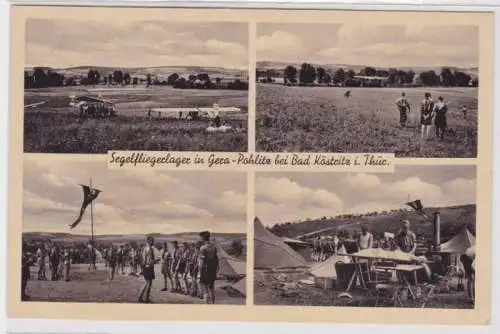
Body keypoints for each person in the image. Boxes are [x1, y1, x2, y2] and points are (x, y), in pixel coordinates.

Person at [198, 231, 219, 304]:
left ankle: (207, 307)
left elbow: (201, 263)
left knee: (205, 289)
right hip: (212, 270)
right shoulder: (214, 247)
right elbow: (216, 259)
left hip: (205, 270)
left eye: (201, 237)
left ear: (203, 237)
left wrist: (200, 273)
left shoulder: (203, 248)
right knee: (212, 289)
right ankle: (213, 305)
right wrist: (216, 269)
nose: (200, 239)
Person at [139, 236, 158, 303]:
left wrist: (154, 261)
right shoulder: (147, 248)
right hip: (147, 267)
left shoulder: (150, 248)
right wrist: (151, 262)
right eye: (152, 240)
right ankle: (145, 298)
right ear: (149, 241)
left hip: (149, 267)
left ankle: (142, 297)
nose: (153, 242)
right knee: (148, 283)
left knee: (148, 283)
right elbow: (144, 259)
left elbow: (149, 259)